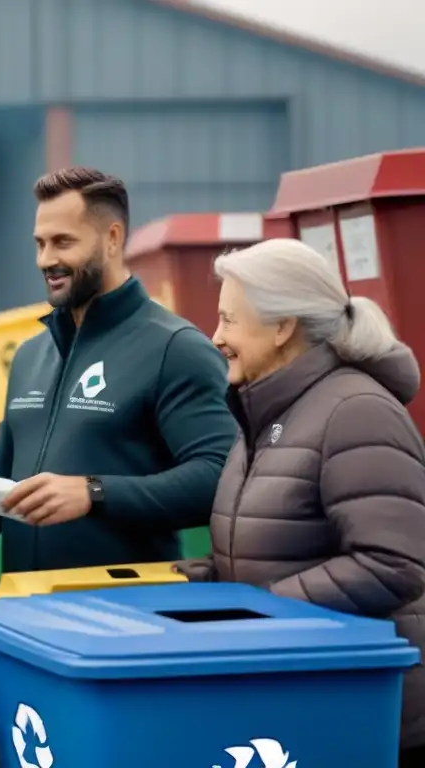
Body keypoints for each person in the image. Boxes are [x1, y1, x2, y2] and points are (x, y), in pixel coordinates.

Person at [173, 239, 425, 766]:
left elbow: (395, 563)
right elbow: (281, 549)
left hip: (373, 712)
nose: (216, 337)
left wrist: (258, 608)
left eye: (228, 320)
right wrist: (195, 585)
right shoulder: (265, 411)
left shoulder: (355, 411)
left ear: (283, 326)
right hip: (306, 696)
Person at [0, 166, 237, 571]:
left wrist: (94, 492)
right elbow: (3, 475)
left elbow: (221, 478)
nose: (47, 260)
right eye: (40, 244)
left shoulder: (175, 348)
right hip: (24, 610)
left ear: (112, 238)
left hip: (124, 616)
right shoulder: (29, 356)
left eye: (63, 242)